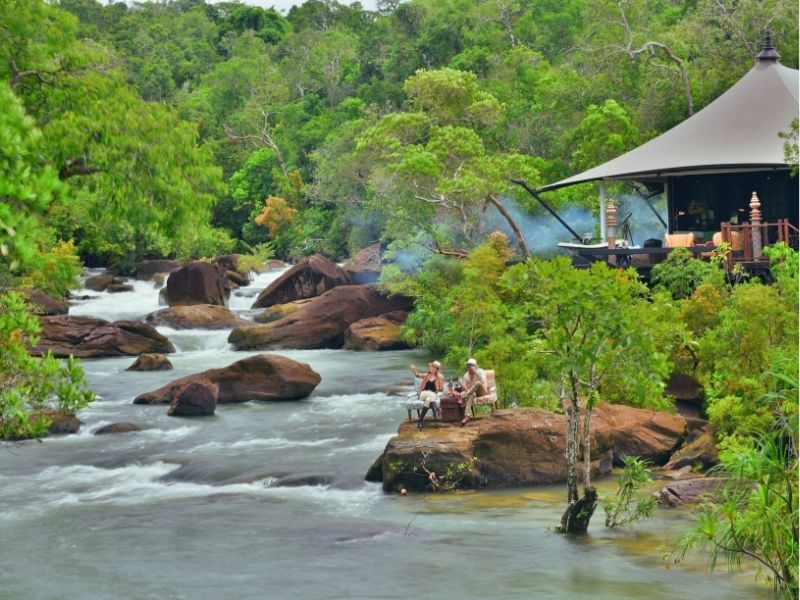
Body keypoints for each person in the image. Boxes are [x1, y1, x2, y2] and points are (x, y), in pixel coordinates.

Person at [410, 361, 443, 429]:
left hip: (432, 396)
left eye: (435, 368)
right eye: (432, 367)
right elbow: (417, 375)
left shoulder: (439, 378)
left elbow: (441, 389)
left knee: (428, 400)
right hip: (423, 394)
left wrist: (440, 387)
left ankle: (420, 422)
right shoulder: (426, 375)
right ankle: (435, 410)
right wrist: (414, 369)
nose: (433, 369)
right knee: (429, 394)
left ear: (437, 370)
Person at [458, 358, 487, 426]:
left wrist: (475, 372)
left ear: (475, 366)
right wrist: (461, 384)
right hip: (472, 393)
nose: (469, 367)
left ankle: (463, 397)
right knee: (470, 394)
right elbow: (465, 389)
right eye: (468, 366)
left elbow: (482, 381)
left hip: (481, 391)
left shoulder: (480, 371)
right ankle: (467, 417)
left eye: (471, 366)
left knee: (477, 383)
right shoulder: (466, 375)